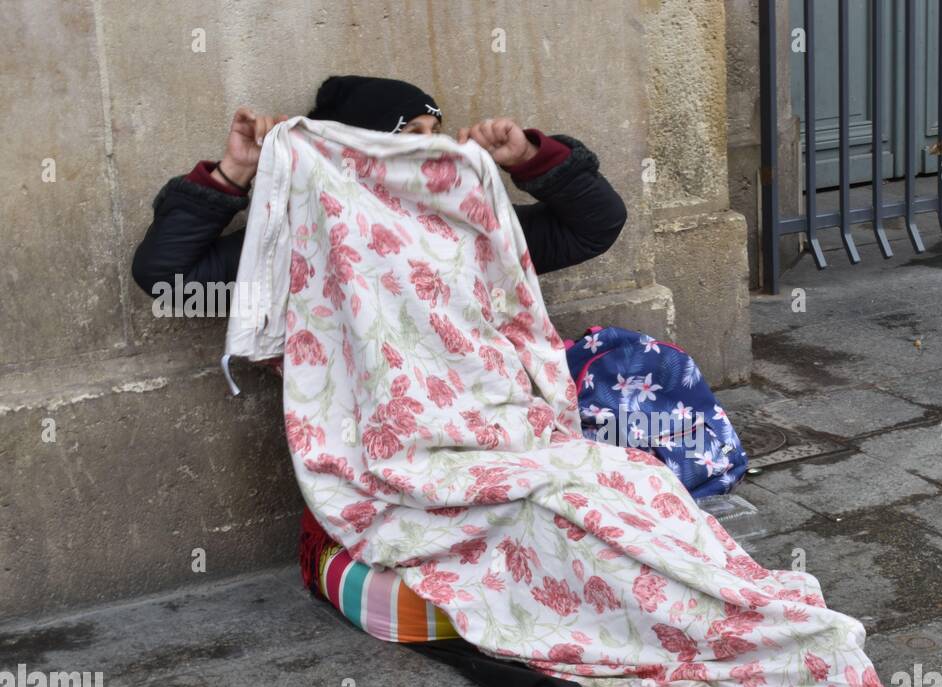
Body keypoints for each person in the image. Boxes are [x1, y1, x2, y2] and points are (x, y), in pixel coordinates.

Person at [131, 74, 628, 637]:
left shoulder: (467, 224)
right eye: (407, 134)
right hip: (382, 467)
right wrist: (235, 172)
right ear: (359, 151)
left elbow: (596, 226)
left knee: (588, 524)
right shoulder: (301, 247)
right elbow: (168, 277)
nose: (428, 147)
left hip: (496, 433)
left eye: (434, 133)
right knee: (504, 552)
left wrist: (528, 158)